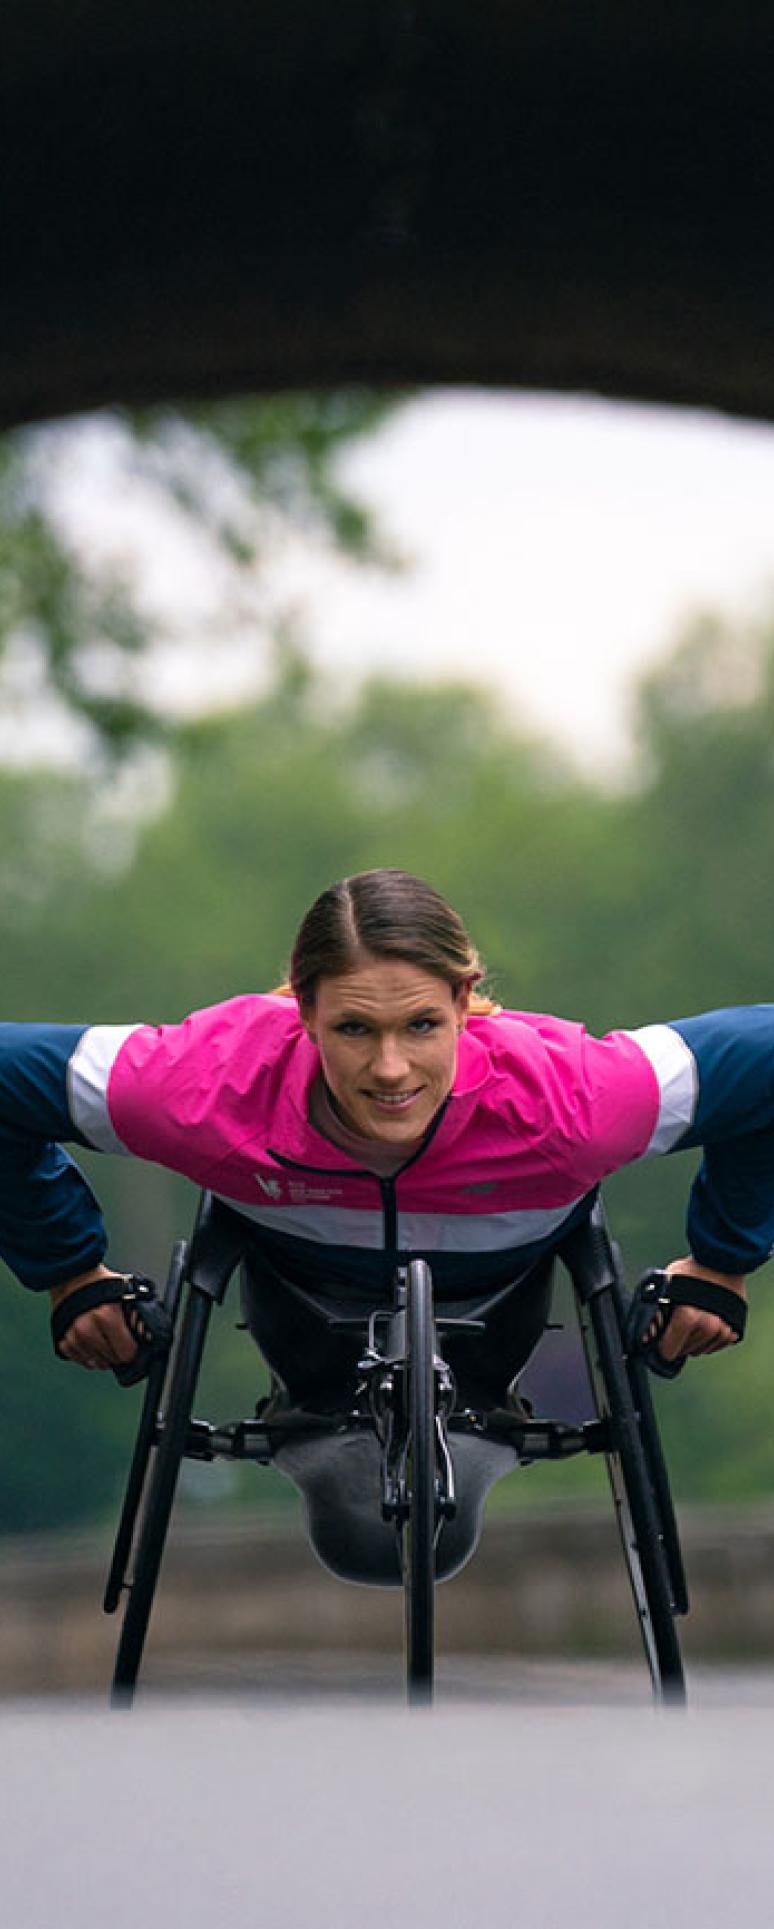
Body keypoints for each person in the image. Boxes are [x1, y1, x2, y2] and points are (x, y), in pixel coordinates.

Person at [0, 868, 758, 1386]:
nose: (391, 1069)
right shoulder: (204, 1083)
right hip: (300, 1309)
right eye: (355, 1029)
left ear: (465, 1001)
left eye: (423, 1025)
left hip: (499, 1309)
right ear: (302, 1011)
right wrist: (71, 1270)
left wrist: (723, 1260)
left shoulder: (578, 1098)